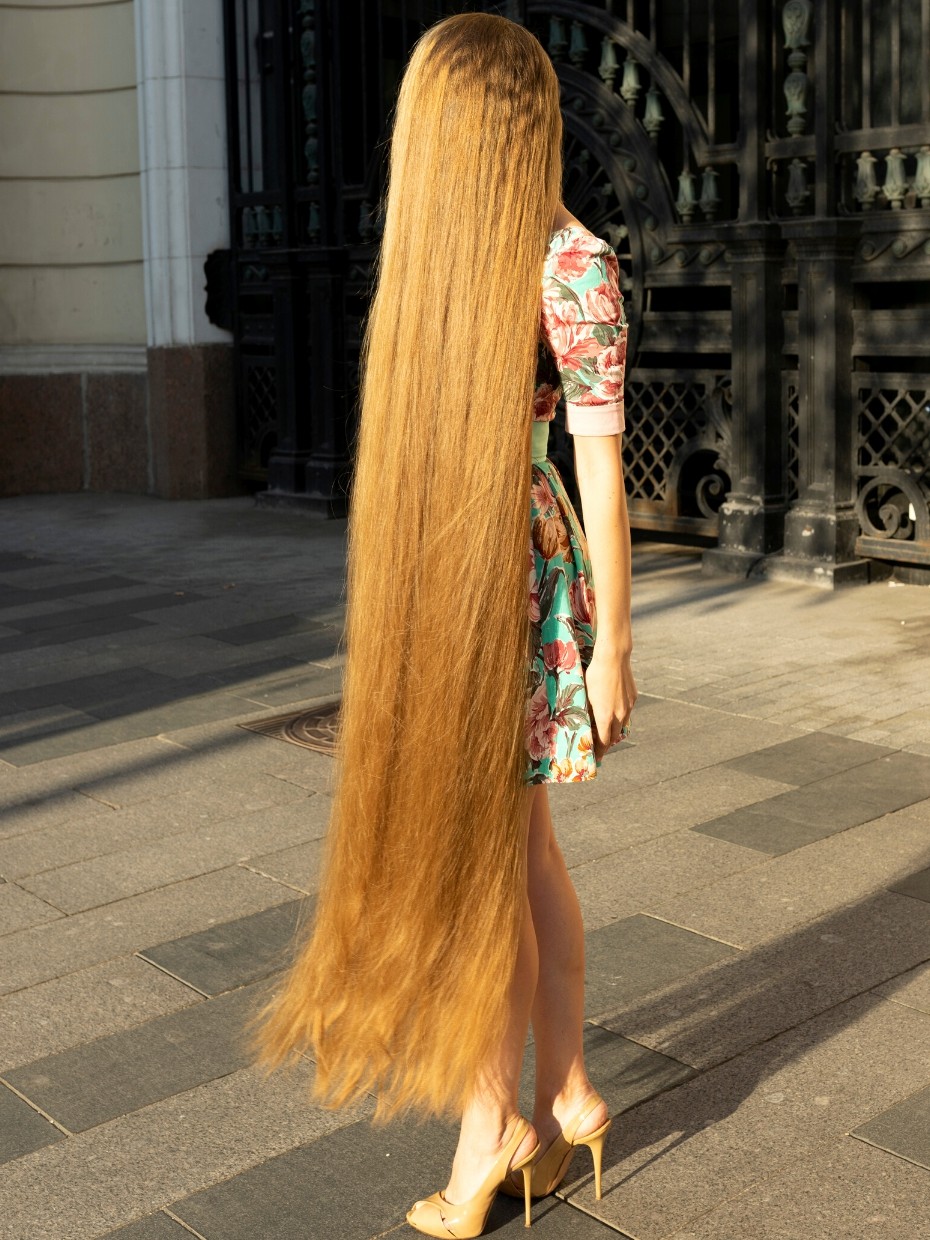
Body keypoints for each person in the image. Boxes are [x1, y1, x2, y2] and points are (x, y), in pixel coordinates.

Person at [250, 12, 636, 1238]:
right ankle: (564, 1087)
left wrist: (617, 647)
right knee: (518, 851)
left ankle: (495, 1132)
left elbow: (602, 473)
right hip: (455, 577)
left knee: (486, 863)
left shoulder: (565, 268)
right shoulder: (471, 265)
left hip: (503, 587)